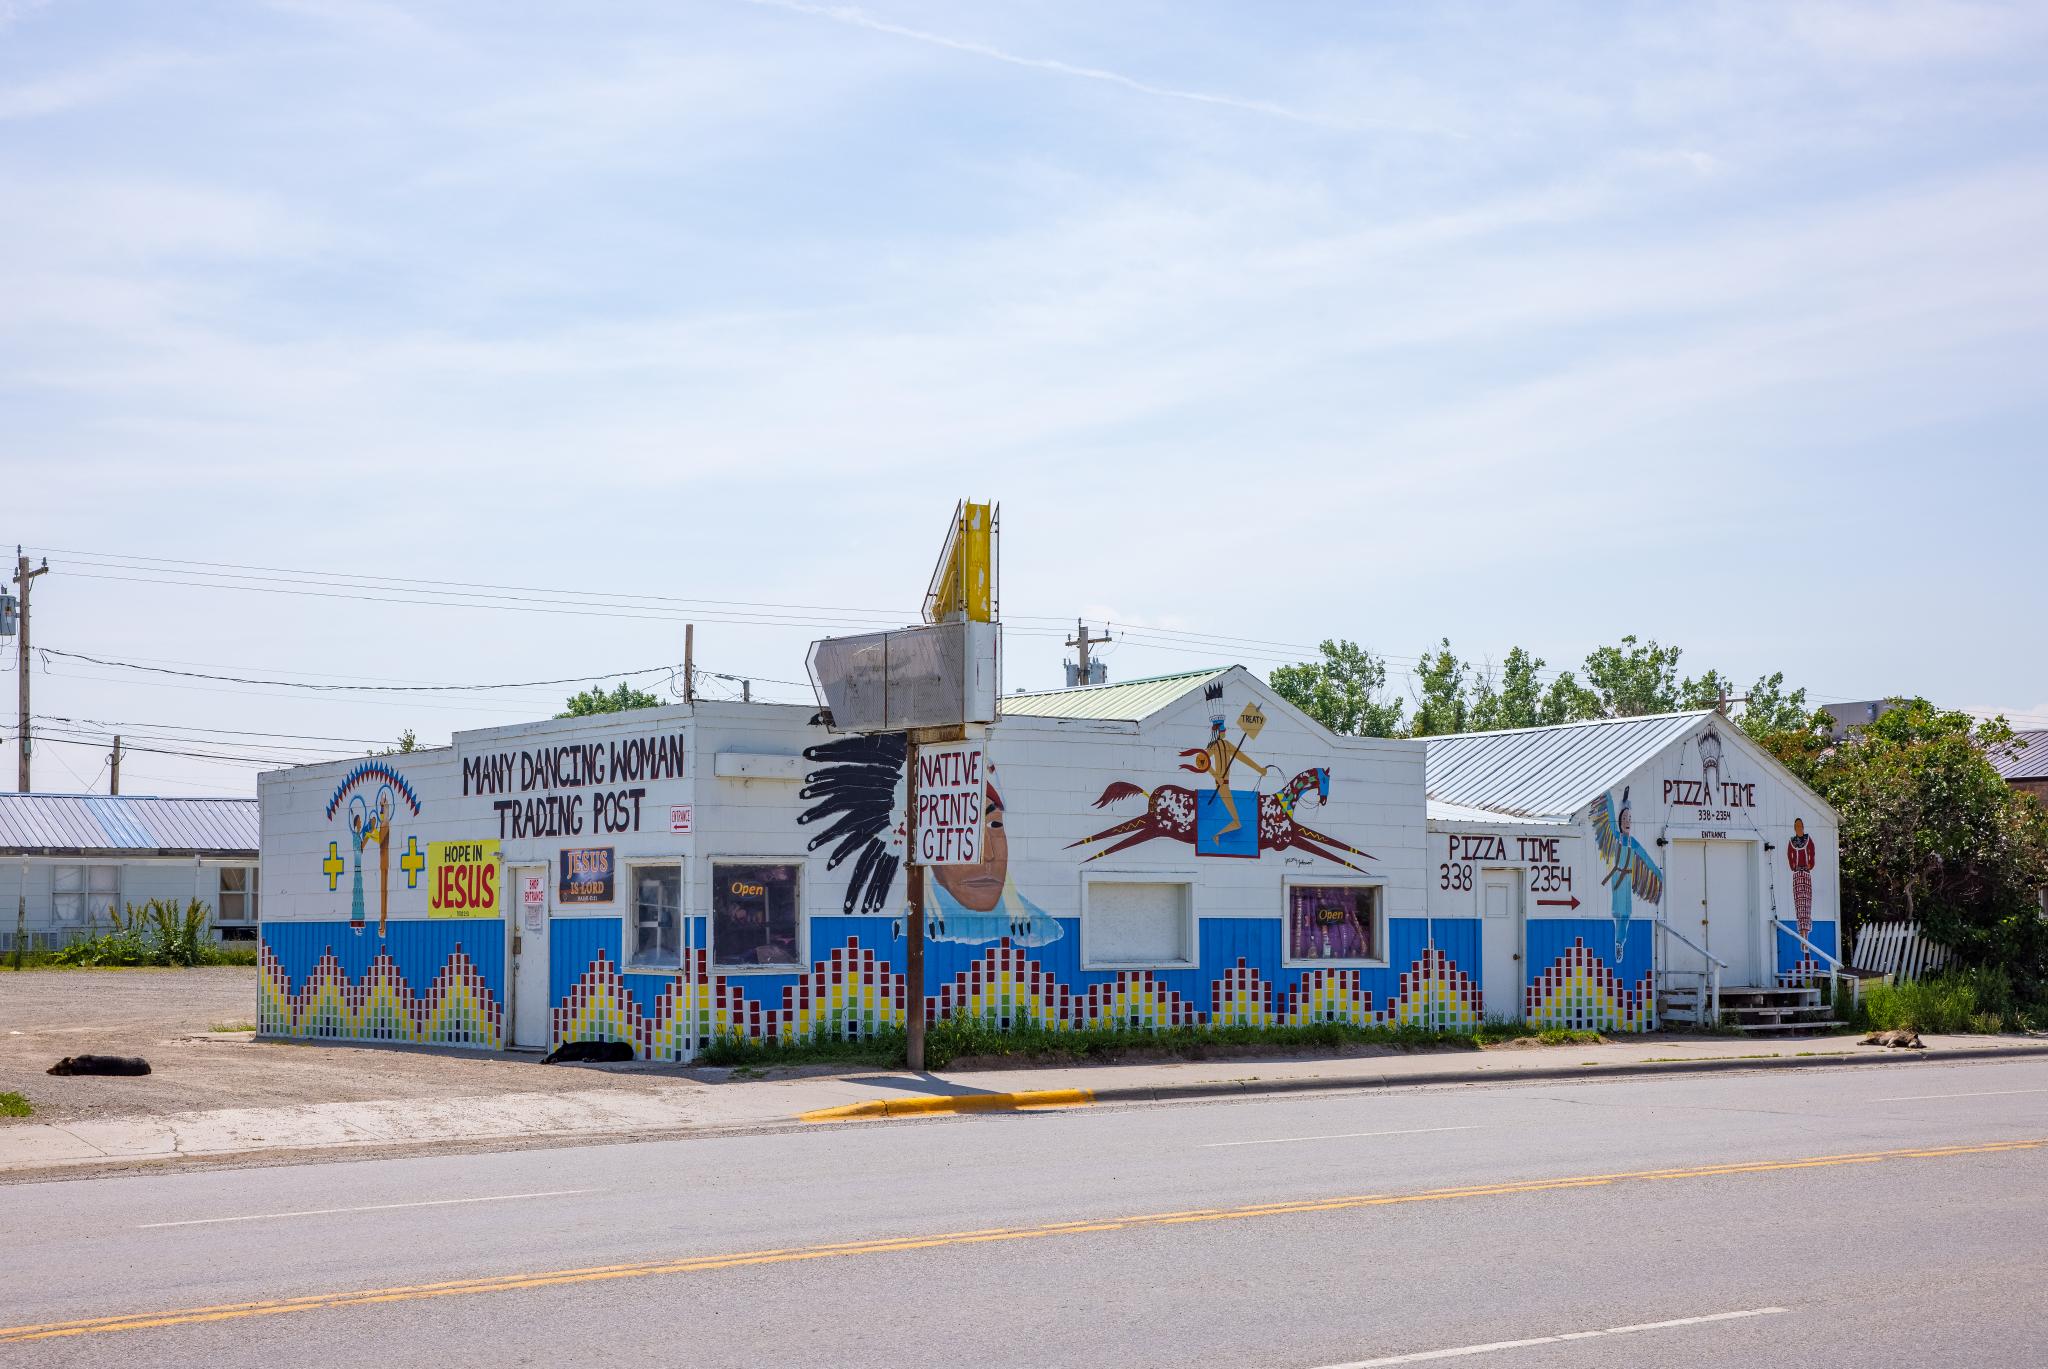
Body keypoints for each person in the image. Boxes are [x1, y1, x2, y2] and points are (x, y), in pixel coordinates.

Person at [927, 768, 1062, 947]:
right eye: (965, 829)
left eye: (995, 824)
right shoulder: (914, 922)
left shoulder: (1028, 916)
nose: (988, 854)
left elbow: (1052, 932)